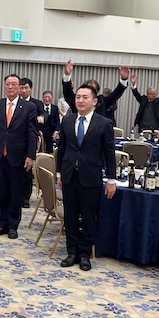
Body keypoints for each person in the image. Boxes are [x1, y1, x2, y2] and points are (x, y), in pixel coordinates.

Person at [56, 84, 116, 272]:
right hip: (69, 175)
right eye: (78, 97)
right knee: (71, 216)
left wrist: (111, 180)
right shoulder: (68, 120)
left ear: (94, 101)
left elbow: (109, 153)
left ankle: (84, 254)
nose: (80, 100)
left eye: (85, 97)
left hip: (91, 177)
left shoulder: (103, 123)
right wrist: (59, 173)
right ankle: (71, 252)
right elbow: (62, 149)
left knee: (89, 217)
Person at [0, 74, 38, 239]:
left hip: (18, 156)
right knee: (1, 192)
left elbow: (32, 133)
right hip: (0, 155)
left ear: (19, 87)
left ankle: (13, 226)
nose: (10, 87)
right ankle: (2, 224)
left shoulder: (28, 107)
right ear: (4, 86)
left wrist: (31, 155)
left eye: (14, 84)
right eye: (8, 84)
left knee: (15, 193)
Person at [61, 60, 129, 119]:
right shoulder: (77, 100)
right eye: (87, 89)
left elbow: (116, 94)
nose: (81, 100)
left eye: (93, 90)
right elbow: (67, 92)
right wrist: (67, 75)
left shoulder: (102, 101)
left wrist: (124, 79)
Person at [18, 78, 44, 208]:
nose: (23, 91)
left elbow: (44, 113)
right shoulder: (14, 102)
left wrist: (41, 117)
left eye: (26, 88)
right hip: (15, 140)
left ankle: (25, 198)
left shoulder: (36, 104)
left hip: (29, 140)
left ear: (31, 89)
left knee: (27, 170)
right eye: (21, 88)